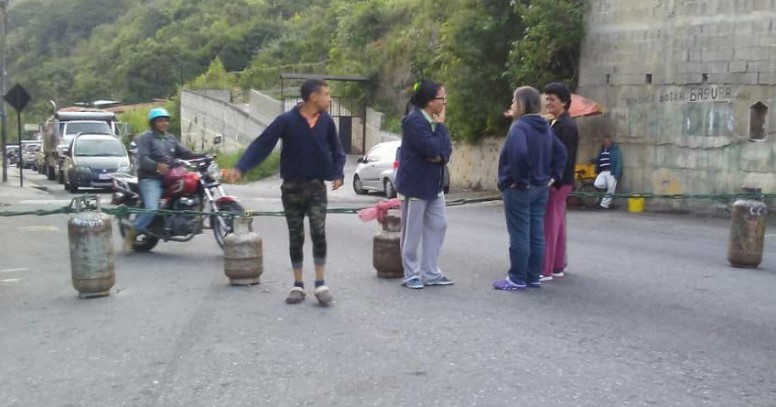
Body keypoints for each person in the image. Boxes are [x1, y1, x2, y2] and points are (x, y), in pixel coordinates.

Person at [225, 79, 345, 306]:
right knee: (296, 235)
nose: (329, 99)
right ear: (313, 97)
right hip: (291, 188)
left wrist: (338, 173)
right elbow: (262, 144)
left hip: (317, 187)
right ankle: (297, 285)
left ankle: (321, 283)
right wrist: (241, 167)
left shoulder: (327, 122)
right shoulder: (286, 121)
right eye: (326, 94)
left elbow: (338, 151)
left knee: (318, 232)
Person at [493, 86, 567, 291]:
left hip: (520, 188)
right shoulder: (545, 127)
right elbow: (561, 152)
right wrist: (553, 176)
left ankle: (517, 277)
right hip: (541, 187)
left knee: (519, 233)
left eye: (514, 101)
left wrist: (521, 179)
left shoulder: (519, 127)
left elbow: (519, 154)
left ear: (523, 104)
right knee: (536, 233)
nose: (511, 105)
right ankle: (533, 276)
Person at [396, 79, 454, 289]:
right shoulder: (413, 122)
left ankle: (431, 272)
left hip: (435, 185)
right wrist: (439, 132)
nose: (444, 103)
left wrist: (440, 154)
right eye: (442, 98)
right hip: (415, 185)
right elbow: (430, 149)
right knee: (412, 231)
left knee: (439, 225)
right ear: (430, 101)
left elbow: (445, 151)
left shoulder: (435, 123)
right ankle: (410, 273)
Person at [123, 108, 207, 252]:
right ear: (153, 123)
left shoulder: (170, 138)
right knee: (152, 208)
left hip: (170, 177)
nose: (163, 123)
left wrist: (203, 156)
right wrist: (156, 165)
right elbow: (143, 159)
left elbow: (186, 153)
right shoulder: (145, 138)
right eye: (160, 121)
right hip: (150, 178)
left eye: (165, 120)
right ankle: (131, 235)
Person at [541, 83, 579, 281]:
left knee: (549, 224)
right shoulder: (555, 123)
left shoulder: (566, 126)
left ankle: (545, 269)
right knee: (558, 225)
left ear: (564, 102)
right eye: (546, 98)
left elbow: (565, 157)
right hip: (560, 181)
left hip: (558, 182)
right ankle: (556, 265)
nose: (548, 102)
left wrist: (554, 181)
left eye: (552, 99)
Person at [594, 135, 622, 209]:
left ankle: (604, 205)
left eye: (608, 142)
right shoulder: (602, 150)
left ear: (610, 142)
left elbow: (618, 162)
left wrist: (616, 173)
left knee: (611, 190)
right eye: (605, 142)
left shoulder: (614, 150)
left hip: (611, 172)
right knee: (597, 184)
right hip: (603, 171)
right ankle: (608, 187)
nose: (606, 143)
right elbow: (599, 159)